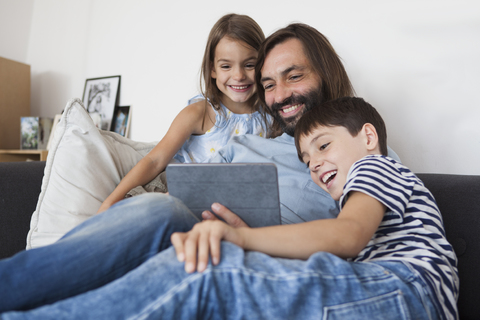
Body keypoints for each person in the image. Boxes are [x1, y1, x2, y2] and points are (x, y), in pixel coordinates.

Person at [0, 23, 410, 319]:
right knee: (159, 209)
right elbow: (173, 172)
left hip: (261, 254)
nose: (279, 94)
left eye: (294, 76)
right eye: (269, 84)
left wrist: (240, 236)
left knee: (193, 265)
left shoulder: (357, 149)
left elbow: (351, 235)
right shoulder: (251, 138)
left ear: (326, 71)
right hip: (210, 231)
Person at [97, 13, 269, 212]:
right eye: (226, 66)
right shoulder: (200, 112)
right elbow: (155, 160)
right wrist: (110, 201)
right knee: (143, 214)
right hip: (173, 190)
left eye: (250, 65)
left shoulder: (270, 119)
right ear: (212, 69)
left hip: (222, 204)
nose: (238, 75)